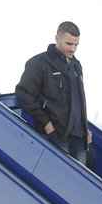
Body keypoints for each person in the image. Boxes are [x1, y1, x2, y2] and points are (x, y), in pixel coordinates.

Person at [16, 21, 91, 167]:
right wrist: (47, 125)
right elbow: (23, 94)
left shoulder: (77, 66)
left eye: (76, 45)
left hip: (80, 139)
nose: (73, 49)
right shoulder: (39, 62)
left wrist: (84, 125)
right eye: (69, 44)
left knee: (75, 185)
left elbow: (77, 100)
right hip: (57, 137)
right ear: (57, 39)